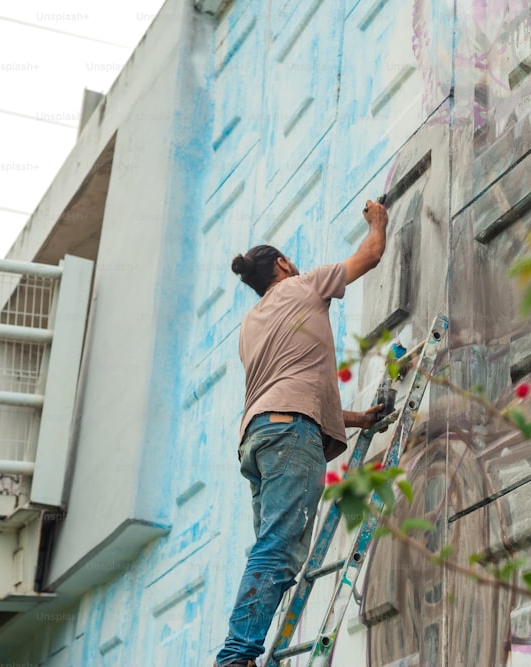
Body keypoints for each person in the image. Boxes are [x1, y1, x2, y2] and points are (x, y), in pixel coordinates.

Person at [214, 200, 389, 667]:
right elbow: (371, 255)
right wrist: (378, 220)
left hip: (258, 439)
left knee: (277, 552)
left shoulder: (251, 325)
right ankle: (236, 656)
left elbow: (297, 389)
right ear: (284, 265)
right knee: (278, 547)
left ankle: (244, 653)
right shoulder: (305, 285)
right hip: (289, 434)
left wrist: (360, 419)